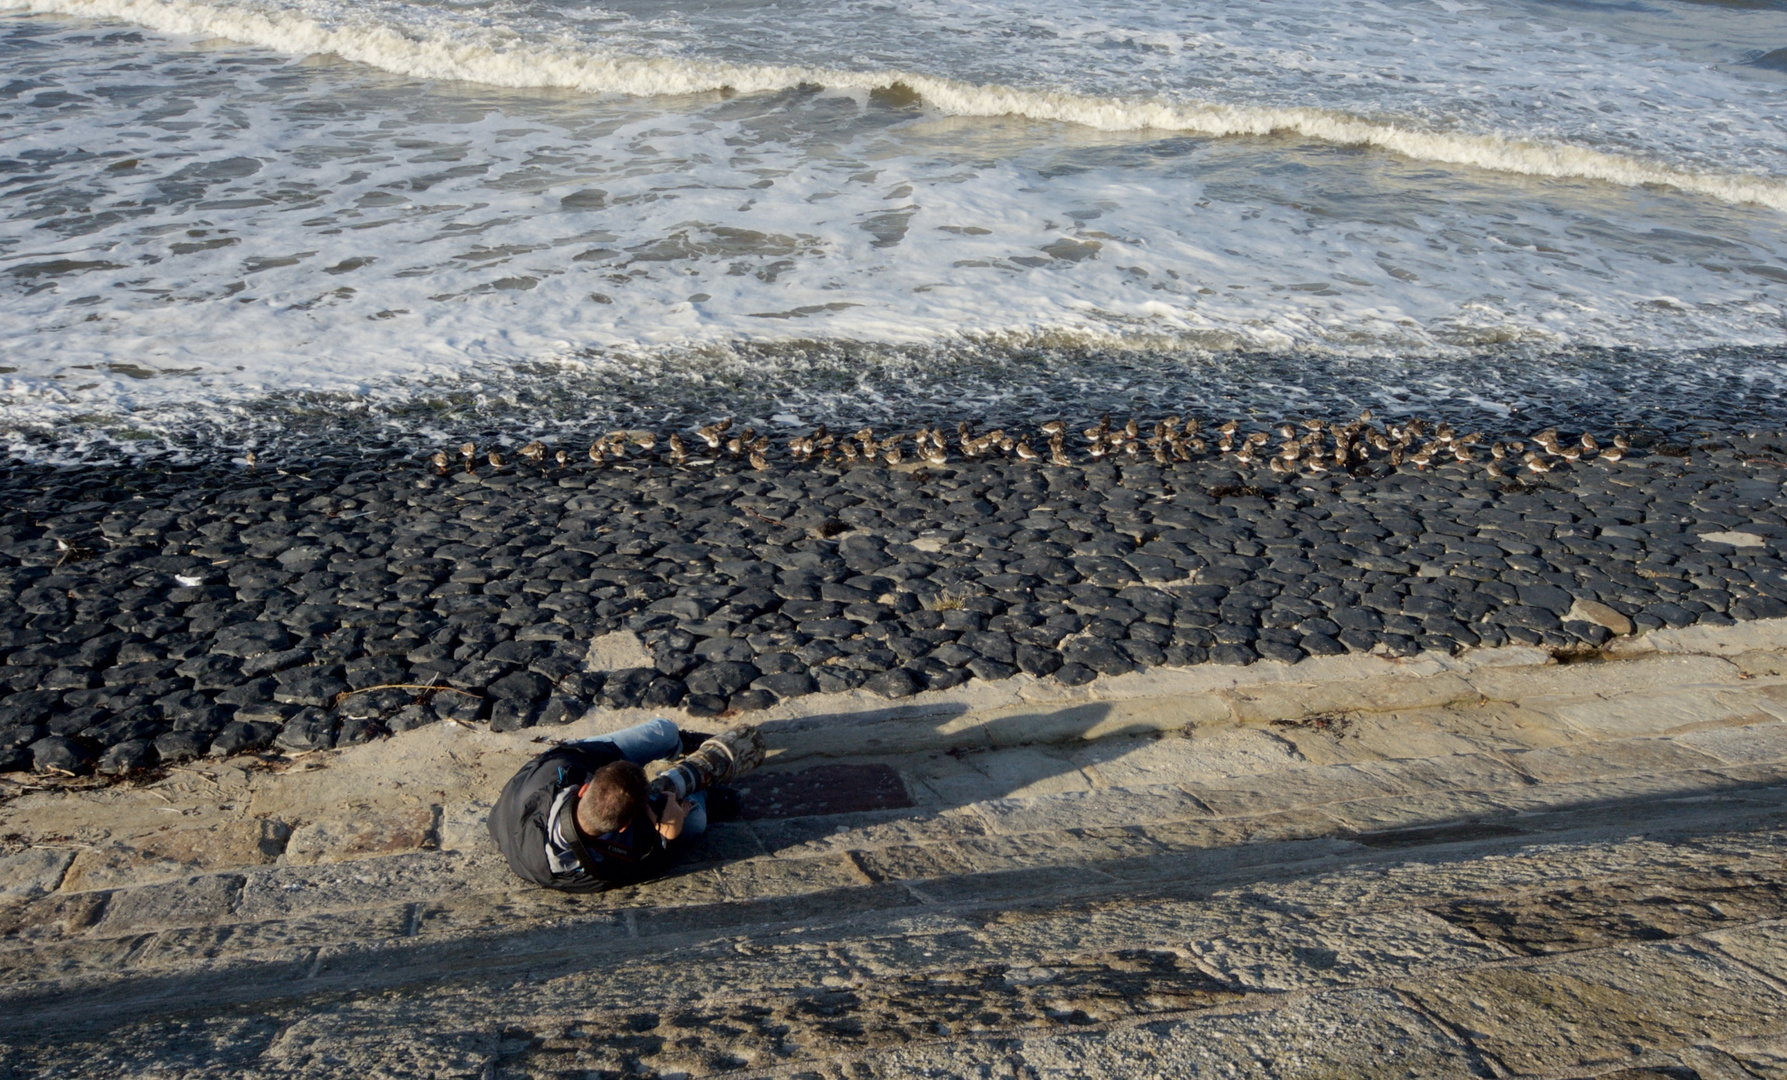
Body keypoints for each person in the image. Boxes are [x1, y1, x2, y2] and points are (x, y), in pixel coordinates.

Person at [488, 717, 736, 891]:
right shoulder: (593, 870)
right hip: (526, 819)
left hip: (522, 800)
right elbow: (649, 867)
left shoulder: (560, 772)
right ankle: (687, 785)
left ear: (584, 788)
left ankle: (677, 747)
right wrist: (669, 837)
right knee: (694, 821)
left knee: (666, 731)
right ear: (624, 826)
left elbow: (580, 751)